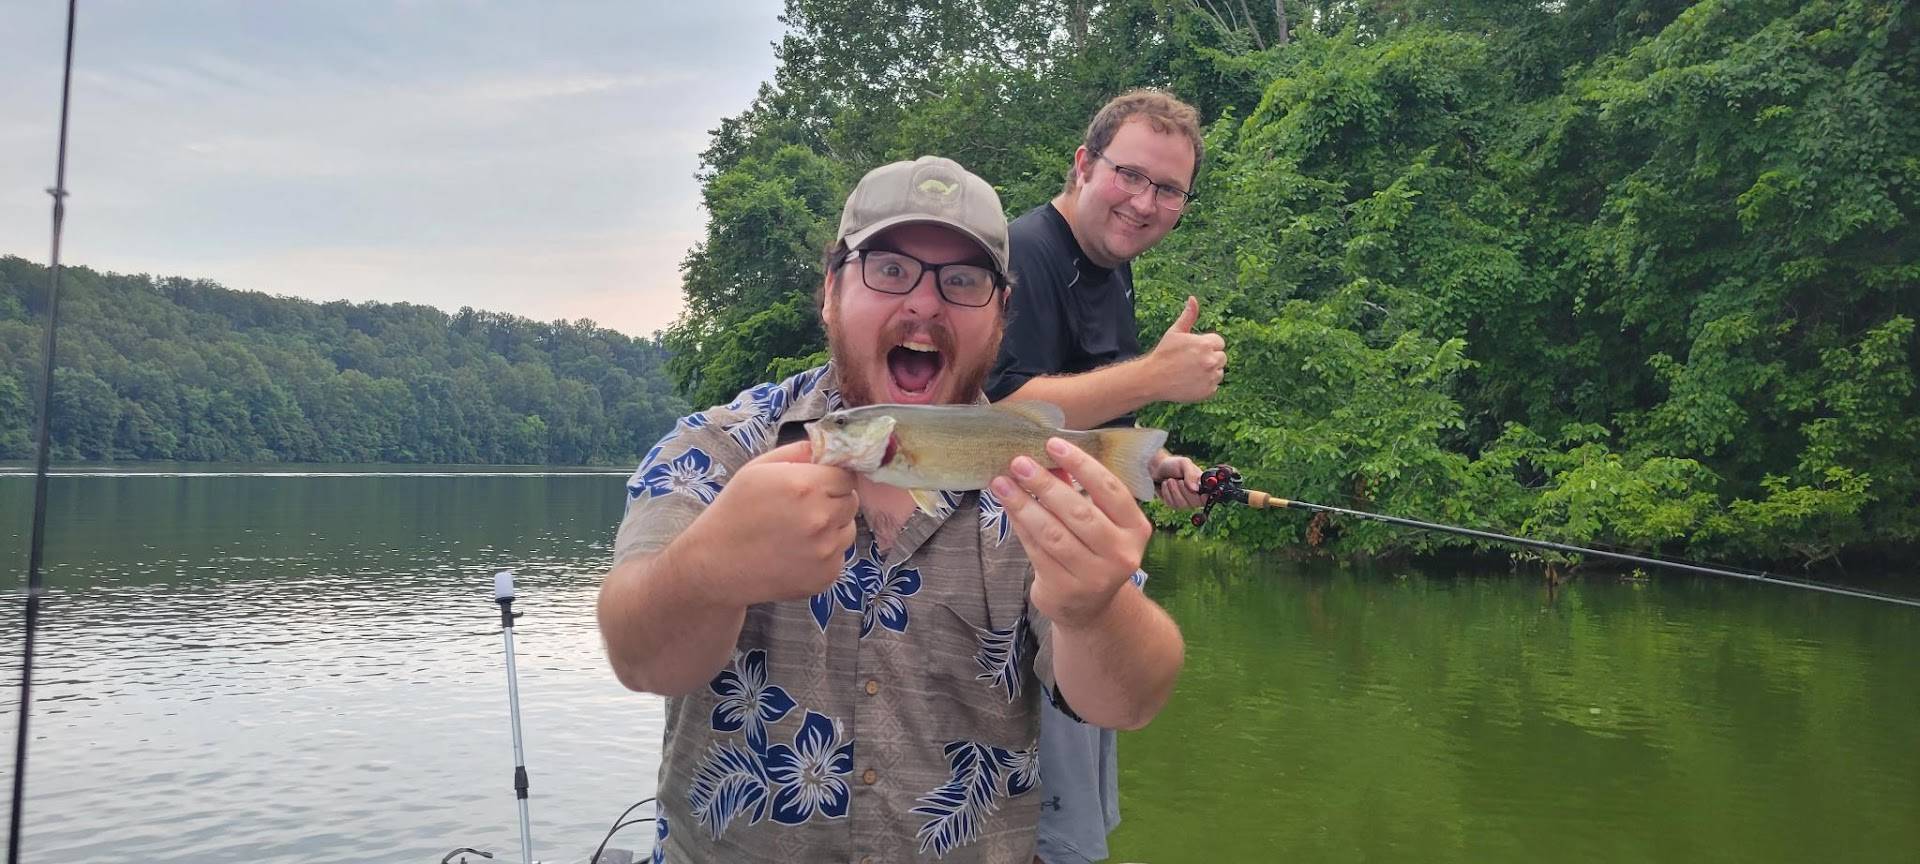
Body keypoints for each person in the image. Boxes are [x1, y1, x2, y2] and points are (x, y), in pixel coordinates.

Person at [598, 155, 1186, 863]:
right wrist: (705, 573)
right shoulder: (717, 452)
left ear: (1002, 317)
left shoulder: (1036, 477)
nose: (924, 304)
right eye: (889, 268)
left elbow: (1131, 700)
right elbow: (636, 656)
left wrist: (1098, 608)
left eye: (963, 281)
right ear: (830, 292)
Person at [985, 89, 1223, 864]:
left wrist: (1154, 466)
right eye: (1130, 175)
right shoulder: (1026, 256)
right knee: (1054, 838)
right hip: (1017, 599)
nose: (1145, 201)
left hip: (1088, 585)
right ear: (1083, 165)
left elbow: (1090, 422)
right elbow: (1002, 414)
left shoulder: (1111, 269)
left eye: (1168, 189)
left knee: (1081, 827)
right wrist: (1153, 375)